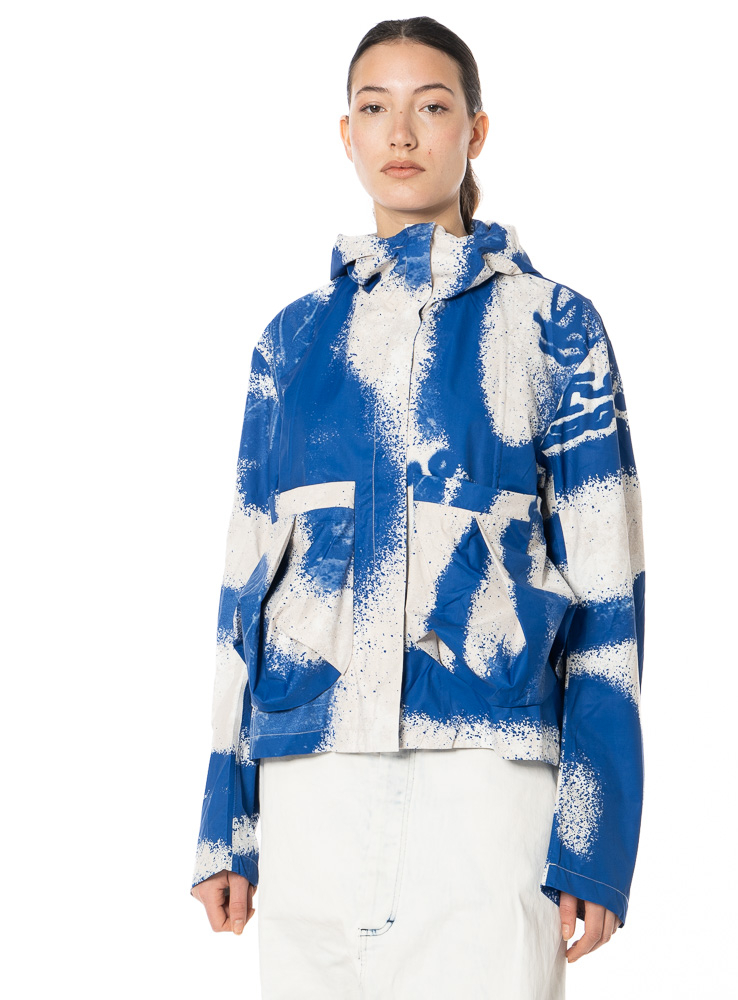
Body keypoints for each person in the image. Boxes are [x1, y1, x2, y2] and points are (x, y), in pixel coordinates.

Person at [190, 15, 645, 999]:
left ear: (474, 131)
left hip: (485, 782)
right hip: (309, 784)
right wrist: (226, 824)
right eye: (374, 107)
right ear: (345, 133)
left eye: (430, 107)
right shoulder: (289, 343)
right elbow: (243, 590)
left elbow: (609, 592)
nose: (400, 133)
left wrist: (594, 836)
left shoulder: (552, 327)